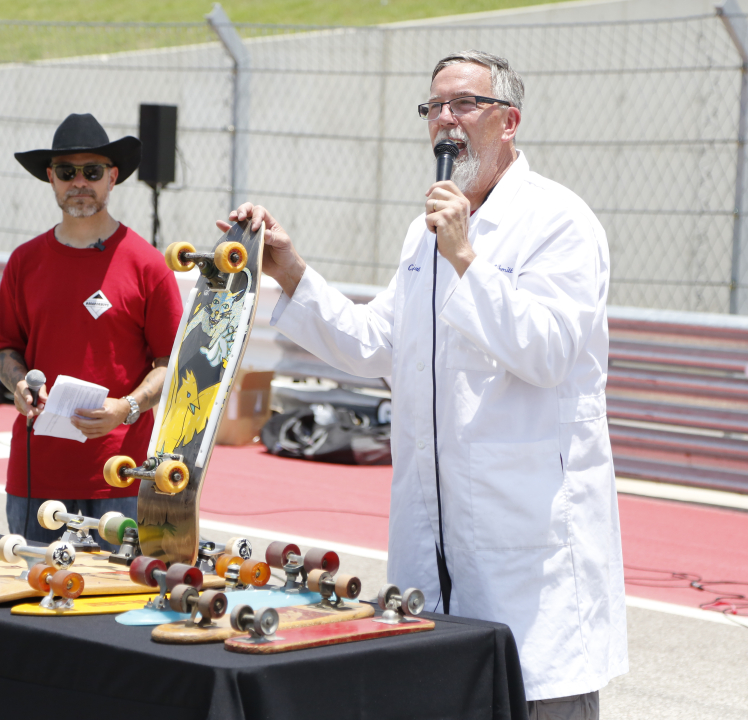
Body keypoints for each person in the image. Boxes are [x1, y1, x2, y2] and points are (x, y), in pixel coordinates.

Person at [217, 51, 626, 718]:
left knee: (537, 699)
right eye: (434, 107)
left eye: (465, 104)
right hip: (433, 542)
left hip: (528, 557)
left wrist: (466, 257)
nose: (445, 120)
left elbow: (548, 351)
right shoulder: (424, 232)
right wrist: (291, 271)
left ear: (510, 120)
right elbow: (377, 344)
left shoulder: (558, 221)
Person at [0, 113, 183, 549]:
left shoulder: (147, 264)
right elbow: (4, 347)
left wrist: (127, 407)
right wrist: (19, 386)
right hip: (37, 473)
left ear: (112, 178)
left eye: (92, 172)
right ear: (51, 179)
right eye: (66, 172)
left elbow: (171, 363)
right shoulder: (24, 261)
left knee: (114, 606)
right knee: (31, 601)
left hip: (122, 474)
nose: (80, 182)